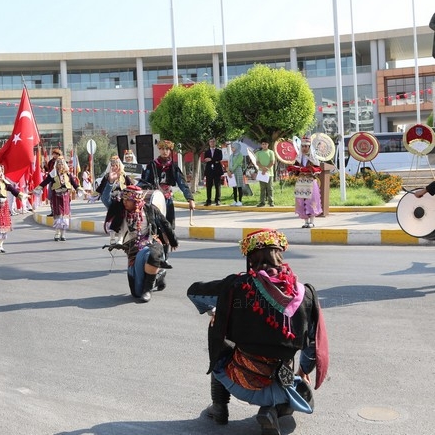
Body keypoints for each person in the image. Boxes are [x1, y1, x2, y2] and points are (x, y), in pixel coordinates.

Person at [187, 228, 328, 435]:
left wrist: (216, 312)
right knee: (289, 373)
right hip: (284, 382)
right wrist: (303, 371)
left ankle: (219, 408)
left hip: (242, 382)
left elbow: (194, 292)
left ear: (249, 258)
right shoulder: (305, 294)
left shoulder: (235, 286)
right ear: (280, 253)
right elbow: (313, 345)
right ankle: (273, 410)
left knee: (220, 346)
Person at [104, 185, 176, 302]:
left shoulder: (149, 209)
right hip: (132, 250)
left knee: (152, 254)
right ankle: (159, 275)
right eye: (124, 199)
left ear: (136, 201)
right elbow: (105, 198)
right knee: (136, 293)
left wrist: (172, 240)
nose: (125, 202)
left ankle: (148, 289)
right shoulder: (120, 209)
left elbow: (165, 223)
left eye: (128, 200)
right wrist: (110, 181)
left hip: (150, 243)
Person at [138, 139, 194, 266]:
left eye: (167, 149)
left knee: (168, 228)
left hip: (167, 201)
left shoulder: (173, 167)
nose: (164, 151)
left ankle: (165, 258)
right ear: (159, 150)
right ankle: (155, 257)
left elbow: (182, 183)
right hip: (154, 203)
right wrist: (136, 190)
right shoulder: (151, 165)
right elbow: (144, 182)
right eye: (162, 149)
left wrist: (190, 199)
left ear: (170, 151)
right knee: (155, 229)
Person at [36, 157, 84, 241]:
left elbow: (73, 183)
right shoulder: (53, 174)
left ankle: (63, 234)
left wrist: (78, 188)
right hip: (56, 196)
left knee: (65, 215)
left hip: (65, 196)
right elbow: (45, 182)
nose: (60, 165)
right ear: (56, 165)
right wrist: (39, 187)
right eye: (59, 164)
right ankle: (57, 233)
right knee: (58, 215)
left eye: (62, 164)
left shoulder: (67, 174)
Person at [290, 136, 322, 228]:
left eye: (306, 146)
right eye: (302, 146)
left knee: (311, 200)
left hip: (310, 181)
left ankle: (312, 221)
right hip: (301, 181)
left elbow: (318, 169)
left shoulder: (314, 157)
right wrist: (294, 169)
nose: (304, 148)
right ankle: (305, 221)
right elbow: (295, 169)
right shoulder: (298, 158)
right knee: (301, 201)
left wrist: (309, 169)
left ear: (309, 147)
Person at [255, 138, 276, 207]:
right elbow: (257, 162)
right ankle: (262, 202)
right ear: (261, 145)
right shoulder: (258, 153)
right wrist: (262, 168)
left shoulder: (271, 152)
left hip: (269, 173)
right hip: (261, 173)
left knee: (270, 188)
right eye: (263, 144)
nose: (264, 145)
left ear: (268, 145)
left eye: (265, 144)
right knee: (262, 188)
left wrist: (266, 168)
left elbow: (272, 162)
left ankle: (271, 202)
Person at [203, 138, 224, 206]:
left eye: (213, 141)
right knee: (208, 186)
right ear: (209, 143)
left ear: (215, 142)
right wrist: (214, 160)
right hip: (209, 171)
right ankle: (208, 200)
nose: (212, 143)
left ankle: (217, 200)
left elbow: (219, 158)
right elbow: (206, 159)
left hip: (217, 170)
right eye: (211, 141)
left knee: (217, 186)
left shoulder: (219, 151)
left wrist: (211, 159)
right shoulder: (206, 151)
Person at [45, 148, 63, 217]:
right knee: (51, 196)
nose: (55, 155)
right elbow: (48, 170)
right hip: (52, 180)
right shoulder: (50, 162)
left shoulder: (61, 161)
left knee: (60, 196)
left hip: (60, 180)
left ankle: (60, 210)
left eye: (56, 154)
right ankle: (53, 211)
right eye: (54, 154)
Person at [227, 141, 245, 206]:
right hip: (232, 172)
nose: (232, 149)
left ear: (237, 148)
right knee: (234, 186)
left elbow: (237, 164)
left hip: (238, 171)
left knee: (239, 186)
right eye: (231, 147)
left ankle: (240, 201)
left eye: (233, 147)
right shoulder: (231, 155)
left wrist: (231, 171)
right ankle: (235, 200)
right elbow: (229, 164)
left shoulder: (240, 155)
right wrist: (228, 171)